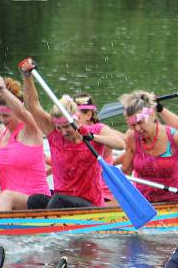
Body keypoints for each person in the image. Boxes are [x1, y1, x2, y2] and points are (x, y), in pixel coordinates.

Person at [19, 61, 126, 210]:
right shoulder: (52, 132)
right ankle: (37, 230)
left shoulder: (97, 129)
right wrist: (27, 77)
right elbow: (32, 104)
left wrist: (93, 137)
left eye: (67, 127)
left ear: (75, 120)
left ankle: (48, 230)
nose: (62, 132)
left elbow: (120, 144)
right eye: (59, 127)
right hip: (61, 200)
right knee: (34, 200)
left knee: (58, 200)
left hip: (89, 203)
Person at [0, 75, 50, 212]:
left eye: (6, 115)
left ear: (16, 111)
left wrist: (3, 90)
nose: (2, 119)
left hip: (35, 200)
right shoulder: (0, 133)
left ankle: (1, 230)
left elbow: (23, 111)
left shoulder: (31, 128)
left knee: (6, 196)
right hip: (7, 202)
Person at [118, 91, 178, 203]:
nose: (137, 129)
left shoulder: (175, 137)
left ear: (151, 115)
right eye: (132, 125)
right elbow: (125, 172)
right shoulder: (132, 138)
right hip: (142, 203)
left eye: (140, 123)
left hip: (173, 201)